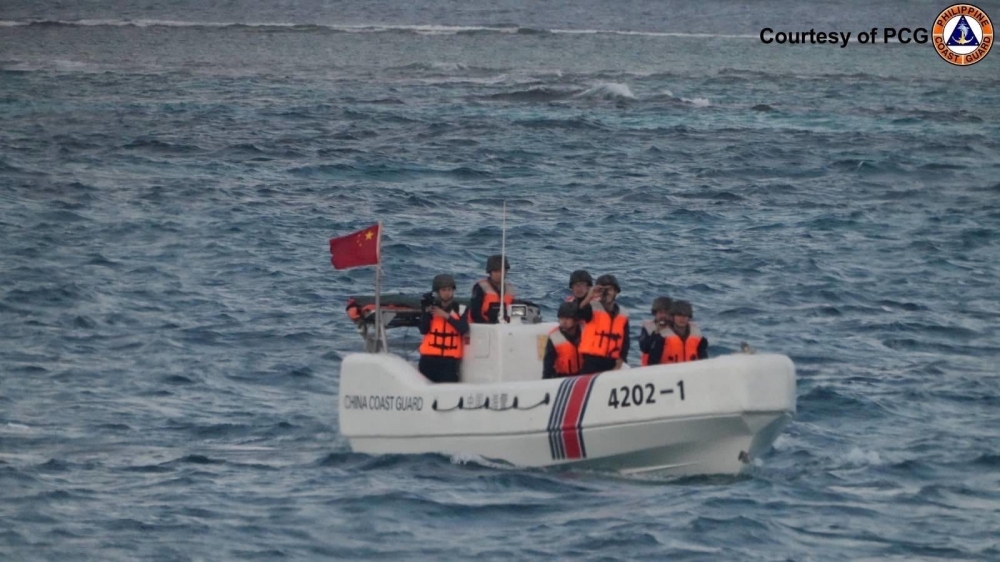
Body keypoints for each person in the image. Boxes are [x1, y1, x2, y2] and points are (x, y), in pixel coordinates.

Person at [418, 274, 469, 383]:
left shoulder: (461, 309)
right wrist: (426, 312)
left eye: (450, 289)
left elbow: (463, 328)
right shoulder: (431, 309)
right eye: (444, 290)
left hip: (449, 362)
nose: (447, 293)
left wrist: (446, 315)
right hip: (428, 360)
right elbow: (423, 329)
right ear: (437, 292)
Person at [577, 274, 630, 374]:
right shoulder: (592, 308)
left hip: (613, 363)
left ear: (616, 292)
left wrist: (618, 365)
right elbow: (579, 312)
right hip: (591, 362)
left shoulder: (623, 314)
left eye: (609, 289)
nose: (606, 293)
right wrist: (590, 296)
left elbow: (625, 344)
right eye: (603, 290)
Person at [647, 300, 708, 364]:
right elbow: (652, 363)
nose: (682, 319)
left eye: (685, 316)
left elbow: (704, 360)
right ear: (672, 317)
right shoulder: (662, 336)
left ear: (689, 318)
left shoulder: (697, 335)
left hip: (691, 372)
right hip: (668, 372)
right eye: (679, 315)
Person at [469, 254, 515, 324]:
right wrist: (488, 324)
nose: (500, 274)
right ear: (490, 272)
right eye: (496, 271)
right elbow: (475, 313)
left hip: (504, 326)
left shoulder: (510, 289)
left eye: (502, 271)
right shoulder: (480, 287)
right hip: (480, 326)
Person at [543, 302, 583, 379]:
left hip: (584, 376)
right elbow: (548, 364)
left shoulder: (585, 331)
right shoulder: (554, 337)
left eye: (567, 318)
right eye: (561, 318)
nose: (564, 322)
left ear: (575, 319)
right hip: (563, 378)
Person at [638, 297, 672, 366]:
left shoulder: (676, 328)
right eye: (660, 312)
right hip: (649, 369)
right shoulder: (648, 327)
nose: (663, 315)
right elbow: (644, 348)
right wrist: (656, 332)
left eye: (666, 313)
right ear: (655, 313)